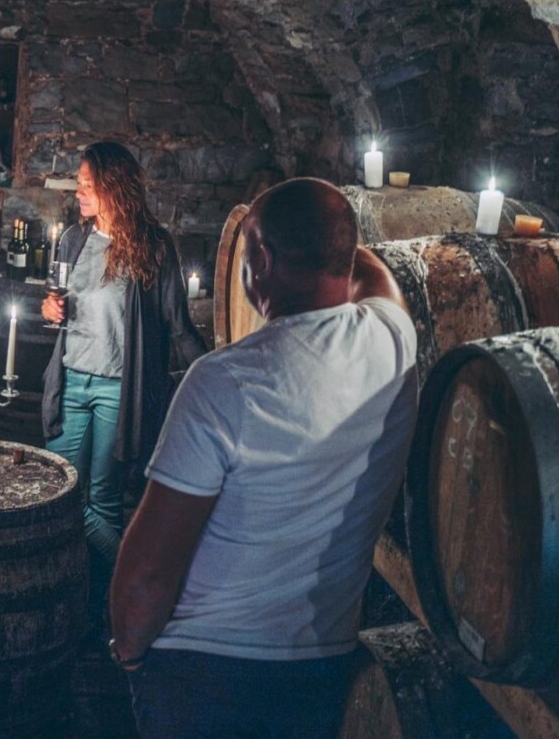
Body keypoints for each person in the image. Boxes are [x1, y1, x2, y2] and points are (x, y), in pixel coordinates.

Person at [108, 177, 418, 739]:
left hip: (206, 675)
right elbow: (376, 274)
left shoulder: (223, 382)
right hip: (323, 670)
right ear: (341, 256)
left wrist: (130, 655)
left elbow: (148, 570)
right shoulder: (393, 340)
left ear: (261, 260)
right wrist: (333, 238)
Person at [39, 141, 207, 599]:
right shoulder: (75, 240)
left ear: (114, 188)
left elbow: (178, 326)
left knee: (105, 503)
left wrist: (212, 374)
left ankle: (102, 604)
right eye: (79, 186)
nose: (79, 193)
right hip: (72, 380)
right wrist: (50, 309)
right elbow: (58, 301)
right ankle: (139, 587)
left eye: (88, 186)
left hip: (119, 388)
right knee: (62, 493)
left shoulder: (153, 247)